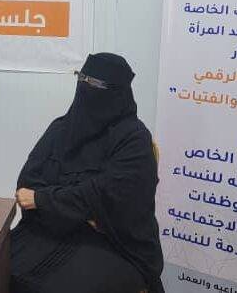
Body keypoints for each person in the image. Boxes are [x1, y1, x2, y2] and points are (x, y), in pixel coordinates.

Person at [11, 53, 163, 293]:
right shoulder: (61, 128)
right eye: (81, 78)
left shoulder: (134, 139)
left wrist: (44, 200)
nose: (85, 87)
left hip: (114, 243)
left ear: (117, 92)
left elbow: (108, 196)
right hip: (52, 230)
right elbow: (27, 184)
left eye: (94, 83)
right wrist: (81, 209)